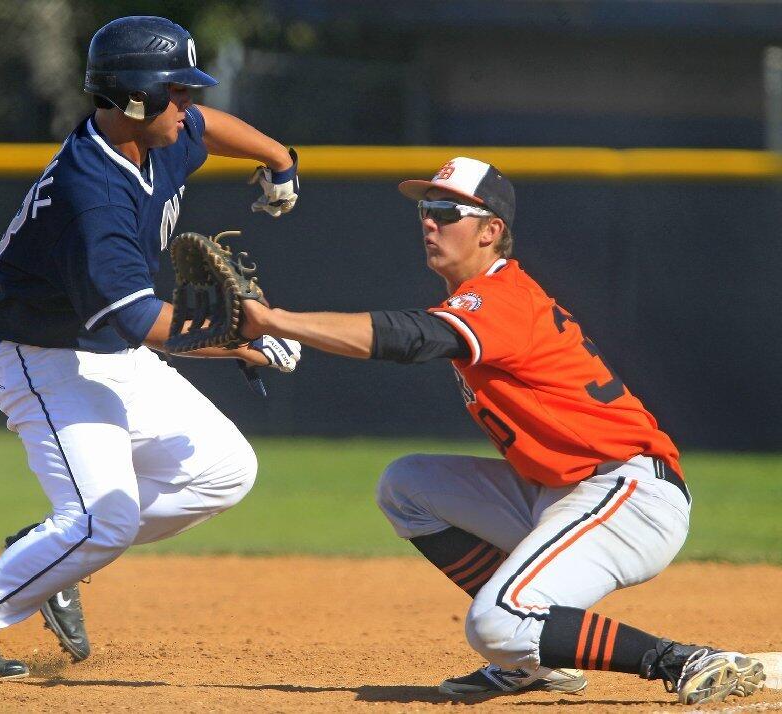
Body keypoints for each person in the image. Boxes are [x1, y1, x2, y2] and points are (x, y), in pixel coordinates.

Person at [238, 156, 765, 705]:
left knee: (493, 626)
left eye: (446, 210)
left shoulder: (502, 297)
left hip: (628, 495)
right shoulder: (477, 298)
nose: (429, 221)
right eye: (425, 209)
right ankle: (534, 661)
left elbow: (411, 338)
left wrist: (276, 320)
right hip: (562, 492)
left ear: (491, 231)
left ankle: (681, 660)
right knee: (407, 486)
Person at [0, 15, 301, 678]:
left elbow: (210, 129)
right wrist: (241, 338)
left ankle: (54, 554)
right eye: (177, 91)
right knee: (105, 520)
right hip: (44, 359)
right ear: (135, 98)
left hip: (107, 354)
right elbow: (140, 321)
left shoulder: (162, 133)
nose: (189, 104)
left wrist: (278, 157)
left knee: (226, 470)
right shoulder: (94, 193)